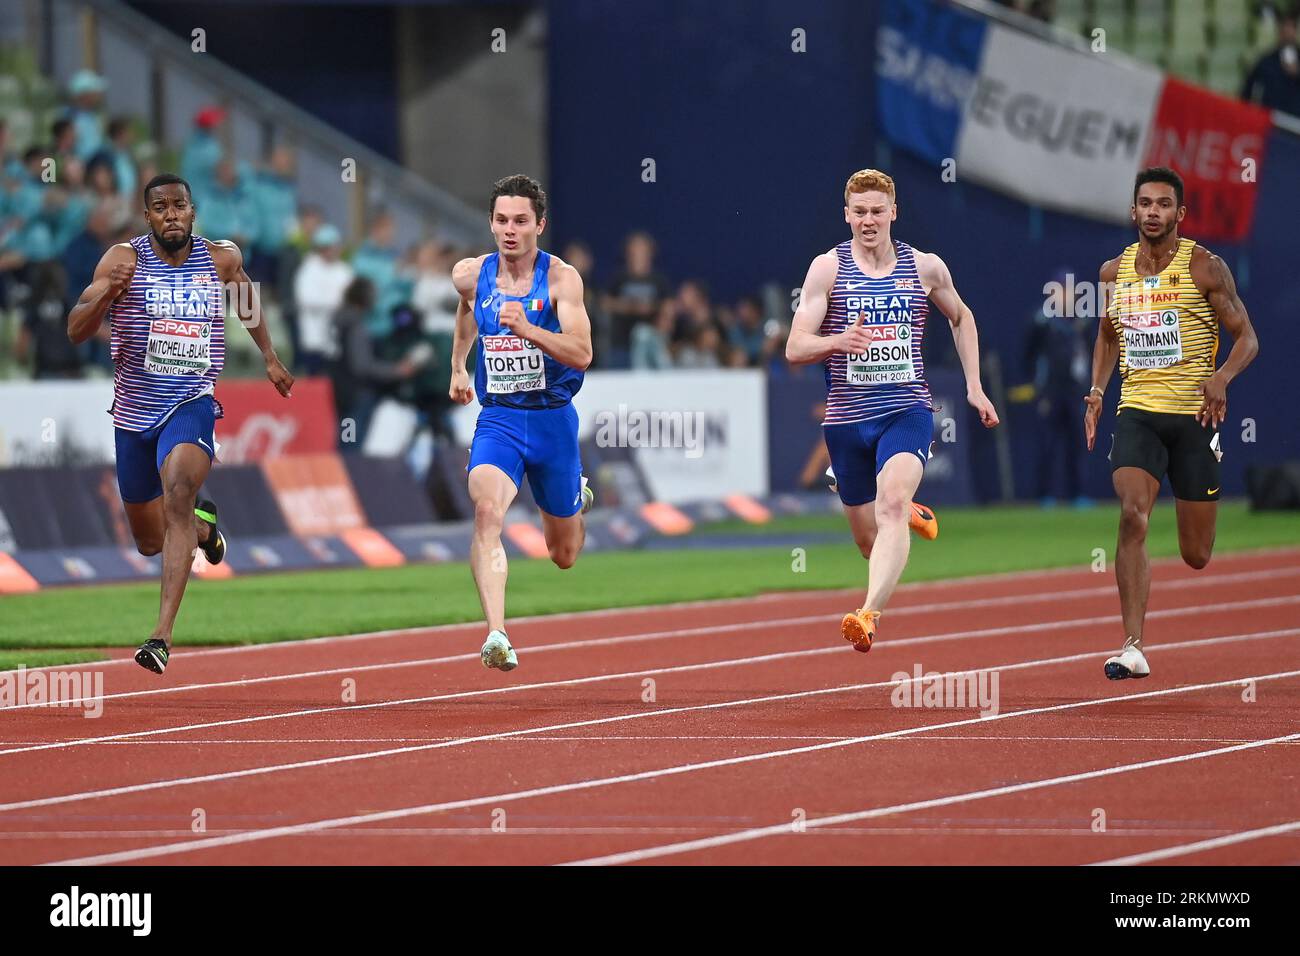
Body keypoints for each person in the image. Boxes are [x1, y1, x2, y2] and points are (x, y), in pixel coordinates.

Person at [66, 173, 294, 675]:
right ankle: (204, 529)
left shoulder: (221, 258)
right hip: (132, 414)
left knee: (178, 493)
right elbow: (75, 329)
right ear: (147, 216)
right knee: (151, 540)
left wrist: (270, 357)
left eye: (180, 206)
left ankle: (160, 636)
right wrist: (106, 297)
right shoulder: (122, 261)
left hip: (190, 401)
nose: (172, 214)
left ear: (193, 211)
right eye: (161, 208)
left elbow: (247, 301)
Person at [785, 168, 999, 653]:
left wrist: (974, 386)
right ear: (846, 215)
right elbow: (795, 348)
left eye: (877, 211)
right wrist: (840, 340)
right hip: (846, 421)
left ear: (894, 212)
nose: (868, 220)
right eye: (858, 212)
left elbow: (962, 317)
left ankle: (868, 615)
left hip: (906, 409)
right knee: (868, 541)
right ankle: (907, 514)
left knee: (891, 505)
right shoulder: (828, 268)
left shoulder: (925, 267)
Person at [1084, 166, 1259, 681]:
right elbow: (1108, 337)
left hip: (1193, 418)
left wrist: (1222, 377)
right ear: (1133, 211)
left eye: (1163, 204)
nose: (1153, 212)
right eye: (1145, 203)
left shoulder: (1205, 267)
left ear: (1179, 214)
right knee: (1133, 514)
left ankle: (1198, 516)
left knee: (1196, 553)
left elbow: (1247, 337)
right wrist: (1096, 392)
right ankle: (1133, 645)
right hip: (1136, 411)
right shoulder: (1113, 273)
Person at [448, 174, 594, 672]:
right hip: (501, 420)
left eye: (521, 221)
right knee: (487, 512)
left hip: (552, 422)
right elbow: (467, 309)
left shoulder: (561, 280)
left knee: (565, 554)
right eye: (502, 220)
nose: (510, 230)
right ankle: (497, 633)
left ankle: (576, 493)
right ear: (490, 223)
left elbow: (582, 353)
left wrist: (528, 328)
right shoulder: (470, 274)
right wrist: (458, 365)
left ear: (540, 225)